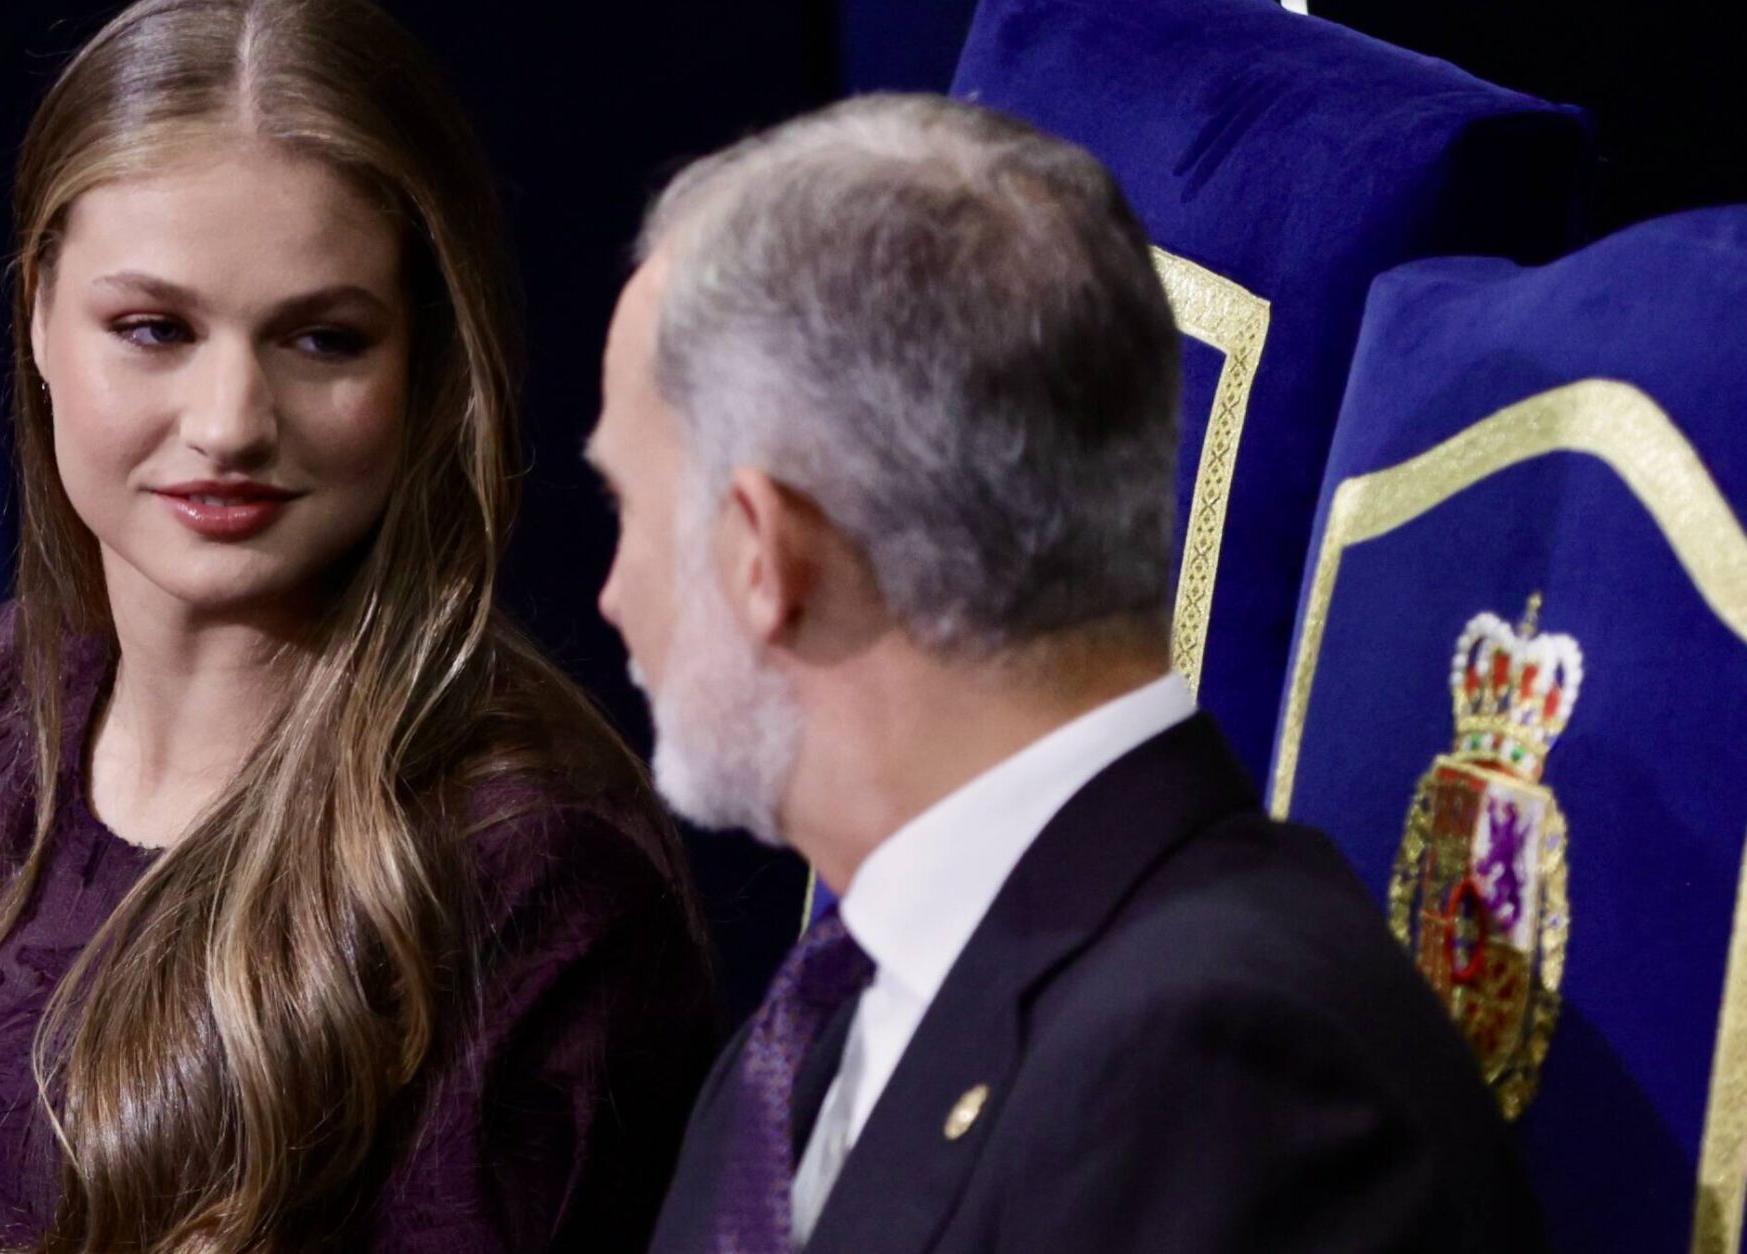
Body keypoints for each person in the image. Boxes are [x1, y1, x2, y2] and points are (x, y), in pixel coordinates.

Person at [0, 0, 713, 1254]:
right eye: (152, 328)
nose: (232, 423)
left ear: (425, 360)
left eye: (323, 340)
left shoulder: (527, 874)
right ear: (34, 317)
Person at [585, 94, 1548, 1252]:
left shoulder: (1223, 1071)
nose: (609, 595)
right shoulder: (818, 1020)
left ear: (761, 552)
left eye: (626, 508)